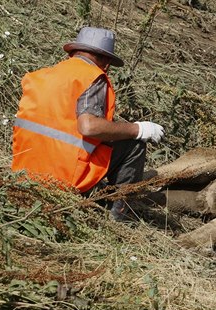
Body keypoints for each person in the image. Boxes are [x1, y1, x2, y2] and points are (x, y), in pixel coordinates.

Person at [12, 27, 164, 219]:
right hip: (64, 178)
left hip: (25, 173)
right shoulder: (92, 77)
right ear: (107, 62)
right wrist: (138, 129)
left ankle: (100, 193)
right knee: (134, 144)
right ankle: (121, 219)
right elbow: (89, 127)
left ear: (73, 52)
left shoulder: (41, 75)